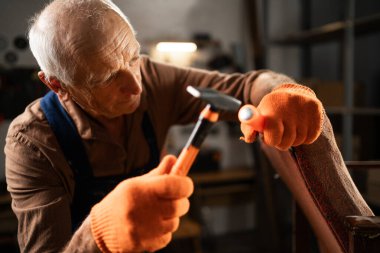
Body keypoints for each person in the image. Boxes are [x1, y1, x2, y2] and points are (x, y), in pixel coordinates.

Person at [4, 0, 324, 252]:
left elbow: (248, 86)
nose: (135, 86)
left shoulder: (153, 79)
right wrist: (99, 234)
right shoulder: (32, 144)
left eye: (133, 57)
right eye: (104, 78)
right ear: (56, 84)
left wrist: (282, 92)